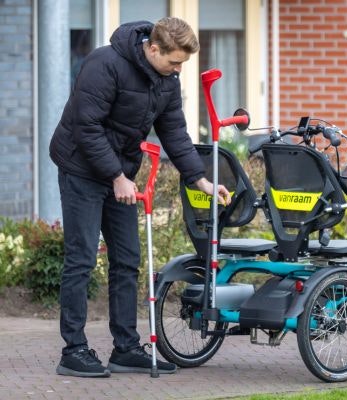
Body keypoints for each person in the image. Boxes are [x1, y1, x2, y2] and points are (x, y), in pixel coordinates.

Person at [50, 17, 231, 378]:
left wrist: (200, 180)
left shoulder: (166, 79)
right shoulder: (104, 65)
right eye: (174, 61)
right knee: (82, 259)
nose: (178, 69)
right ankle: (73, 351)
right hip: (81, 168)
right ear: (152, 49)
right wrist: (116, 176)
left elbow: (174, 130)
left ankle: (126, 348)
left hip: (121, 174)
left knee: (128, 260)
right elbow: (87, 127)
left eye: (182, 64)